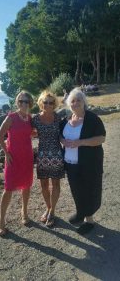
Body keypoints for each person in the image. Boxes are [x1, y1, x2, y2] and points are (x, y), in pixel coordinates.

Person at [60, 88, 106, 235]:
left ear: (84, 102)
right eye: (72, 100)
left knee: (89, 190)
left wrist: (80, 142)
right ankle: (80, 213)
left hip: (88, 164)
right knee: (76, 190)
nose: (75, 103)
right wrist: (63, 141)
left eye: (78, 100)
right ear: (69, 104)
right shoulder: (66, 120)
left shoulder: (92, 119)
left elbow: (101, 138)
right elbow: (60, 137)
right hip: (70, 163)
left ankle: (89, 220)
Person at [0, 91, 34, 236]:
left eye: (26, 101)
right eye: (21, 101)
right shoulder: (11, 117)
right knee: (9, 188)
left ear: (30, 103)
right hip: (13, 158)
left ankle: (24, 213)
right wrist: (6, 153)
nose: (23, 104)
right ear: (17, 102)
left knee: (26, 185)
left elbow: (29, 133)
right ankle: (1, 222)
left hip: (27, 156)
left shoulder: (29, 118)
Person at [32, 91, 65, 227]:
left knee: (55, 184)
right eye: (45, 102)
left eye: (51, 102)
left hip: (57, 154)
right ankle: (48, 207)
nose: (48, 105)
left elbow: (66, 134)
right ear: (41, 103)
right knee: (44, 185)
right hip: (42, 155)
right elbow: (25, 131)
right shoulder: (35, 119)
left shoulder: (58, 118)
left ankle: (52, 211)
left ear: (55, 104)